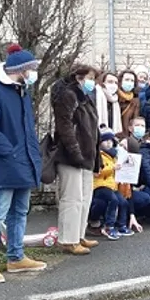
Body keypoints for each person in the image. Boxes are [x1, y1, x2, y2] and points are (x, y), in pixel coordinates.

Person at [0, 45, 48, 284]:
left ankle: (16, 257)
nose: (34, 73)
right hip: (5, 162)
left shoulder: (20, 91)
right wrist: (11, 152)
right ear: (21, 70)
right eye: (31, 69)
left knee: (19, 211)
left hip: (21, 160)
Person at [51, 63, 101, 255]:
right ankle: (68, 240)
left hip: (86, 156)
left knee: (84, 198)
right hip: (71, 155)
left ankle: (79, 235)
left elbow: (92, 129)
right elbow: (65, 128)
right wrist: (75, 152)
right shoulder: (68, 95)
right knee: (71, 198)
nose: (92, 82)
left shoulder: (84, 97)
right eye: (90, 78)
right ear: (79, 77)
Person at [91, 130, 130, 240]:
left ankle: (121, 225)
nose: (108, 143)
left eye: (110, 141)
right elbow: (97, 171)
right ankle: (109, 226)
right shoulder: (98, 155)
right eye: (105, 141)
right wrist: (112, 168)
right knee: (113, 200)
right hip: (100, 185)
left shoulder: (114, 155)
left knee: (123, 201)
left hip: (112, 184)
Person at [95, 71, 125, 136]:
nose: (113, 85)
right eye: (110, 82)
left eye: (116, 83)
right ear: (102, 82)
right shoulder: (96, 95)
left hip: (111, 136)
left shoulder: (115, 99)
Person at [116, 69, 141, 137]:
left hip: (127, 138)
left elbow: (135, 121)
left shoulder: (135, 101)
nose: (129, 82)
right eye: (127, 79)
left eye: (132, 81)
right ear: (120, 81)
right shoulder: (113, 97)